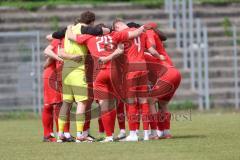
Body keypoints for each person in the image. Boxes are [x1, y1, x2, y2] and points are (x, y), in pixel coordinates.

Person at [65, 22, 149, 142]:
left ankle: (109, 136)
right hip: (115, 72)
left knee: (104, 105)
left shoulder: (88, 37)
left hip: (99, 73)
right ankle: (129, 132)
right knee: (118, 103)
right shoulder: (114, 35)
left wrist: (69, 27)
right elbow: (120, 50)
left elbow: (70, 36)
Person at [110, 19, 164, 141]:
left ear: (117, 26)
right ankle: (146, 134)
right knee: (143, 101)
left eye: (115, 29)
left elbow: (119, 50)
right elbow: (151, 50)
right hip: (143, 68)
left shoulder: (120, 34)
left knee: (131, 102)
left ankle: (133, 134)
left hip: (132, 69)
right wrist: (159, 56)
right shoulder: (142, 33)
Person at [57, 11, 99, 143]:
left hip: (66, 70)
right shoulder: (86, 30)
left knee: (66, 103)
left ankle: (60, 134)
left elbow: (61, 52)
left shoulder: (68, 30)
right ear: (91, 22)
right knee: (82, 102)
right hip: (78, 70)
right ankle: (80, 135)